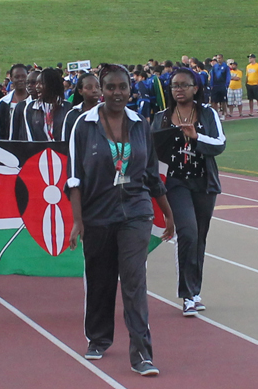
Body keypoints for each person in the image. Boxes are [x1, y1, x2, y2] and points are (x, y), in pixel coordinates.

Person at [66, 64, 174, 377]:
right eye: (111, 87)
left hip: (137, 212)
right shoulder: (83, 126)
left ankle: (142, 353)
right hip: (97, 213)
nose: (117, 93)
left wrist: (167, 212)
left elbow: (152, 174)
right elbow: (74, 178)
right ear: (101, 90)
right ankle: (99, 337)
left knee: (133, 279)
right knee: (100, 277)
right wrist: (77, 221)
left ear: (130, 89)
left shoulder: (141, 123)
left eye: (122, 87)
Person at [151, 67, 226, 317]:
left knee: (200, 237)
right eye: (174, 85)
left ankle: (195, 291)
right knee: (188, 233)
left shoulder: (207, 113)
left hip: (203, 183)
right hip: (175, 183)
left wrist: (196, 137)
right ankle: (187, 295)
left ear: (195, 87)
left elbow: (220, 144)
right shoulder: (162, 117)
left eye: (184, 84)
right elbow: (151, 150)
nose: (179, 89)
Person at [22, 68, 72, 141]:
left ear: (52, 85)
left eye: (41, 83)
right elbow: (30, 137)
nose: (37, 87)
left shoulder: (68, 107)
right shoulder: (31, 108)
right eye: (36, 83)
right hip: (39, 151)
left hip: (62, 151)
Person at [61, 73, 100, 143]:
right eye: (89, 87)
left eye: (97, 86)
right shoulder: (72, 114)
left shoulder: (107, 111)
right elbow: (66, 142)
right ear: (80, 91)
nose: (95, 90)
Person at [0, 64, 28, 139]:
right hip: (9, 147)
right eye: (17, 77)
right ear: (11, 78)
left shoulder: (34, 102)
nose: (20, 79)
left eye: (23, 76)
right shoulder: (3, 103)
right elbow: (0, 130)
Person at [9, 69, 40, 140]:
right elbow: (14, 133)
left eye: (33, 82)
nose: (29, 85)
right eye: (27, 83)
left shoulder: (49, 106)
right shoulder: (21, 106)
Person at [209, 54, 230, 121]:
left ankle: (223, 114)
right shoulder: (214, 67)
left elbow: (228, 76)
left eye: (220, 58)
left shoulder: (225, 67)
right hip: (215, 86)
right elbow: (212, 76)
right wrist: (211, 85)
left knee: (223, 101)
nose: (218, 59)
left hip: (222, 85)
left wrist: (226, 85)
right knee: (214, 101)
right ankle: (216, 114)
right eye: (217, 58)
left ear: (222, 58)